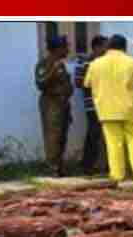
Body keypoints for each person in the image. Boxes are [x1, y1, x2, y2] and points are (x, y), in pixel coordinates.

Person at [84, 34, 133, 185]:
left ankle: (117, 176)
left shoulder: (95, 64)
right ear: (124, 47)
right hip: (131, 109)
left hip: (106, 110)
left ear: (108, 47)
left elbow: (87, 83)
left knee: (113, 143)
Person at [35, 35, 74, 176]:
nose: (68, 50)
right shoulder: (44, 64)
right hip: (51, 104)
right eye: (66, 47)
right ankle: (52, 168)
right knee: (53, 136)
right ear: (58, 49)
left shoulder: (61, 64)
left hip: (63, 103)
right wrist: (52, 71)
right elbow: (40, 83)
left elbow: (65, 83)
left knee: (62, 136)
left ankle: (59, 166)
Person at [73, 35, 109, 175]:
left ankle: (105, 166)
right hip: (92, 105)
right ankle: (87, 166)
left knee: (107, 137)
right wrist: (95, 83)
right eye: (105, 46)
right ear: (96, 47)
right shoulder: (84, 61)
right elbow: (78, 82)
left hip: (108, 105)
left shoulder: (106, 62)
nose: (107, 50)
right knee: (93, 135)